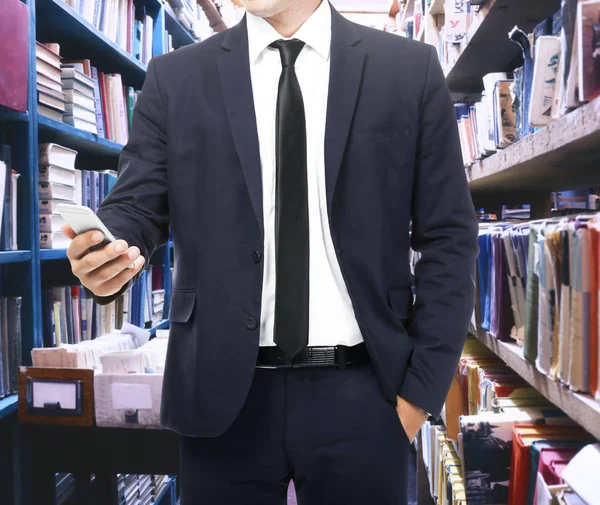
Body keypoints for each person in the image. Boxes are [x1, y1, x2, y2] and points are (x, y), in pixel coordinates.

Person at [63, 0, 479, 503]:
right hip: (219, 399)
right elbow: (136, 206)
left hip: (367, 395)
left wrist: (418, 394)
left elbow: (449, 238)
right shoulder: (176, 77)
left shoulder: (408, 69)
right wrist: (110, 249)